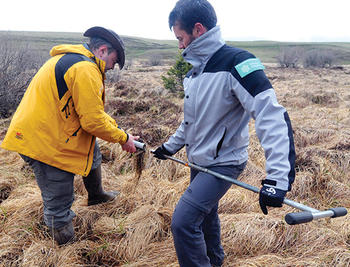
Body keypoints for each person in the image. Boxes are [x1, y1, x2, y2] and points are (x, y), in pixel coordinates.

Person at [153, 1, 296, 266]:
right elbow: (190, 123)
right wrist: (169, 147)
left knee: (183, 222)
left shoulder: (238, 63)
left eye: (181, 38)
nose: (179, 46)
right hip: (200, 160)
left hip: (224, 162)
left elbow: (271, 115)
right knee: (205, 217)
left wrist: (277, 178)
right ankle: (215, 261)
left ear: (198, 29)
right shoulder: (196, 73)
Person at [1, 26, 139, 245]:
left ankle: (96, 195)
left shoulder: (75, 61)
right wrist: (123, 139)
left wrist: (122, 133)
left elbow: (92, 113)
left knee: (91, 151)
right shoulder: (85, 69)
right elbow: (92, 120)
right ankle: (67, 249)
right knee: (59, 201)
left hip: (51, 130)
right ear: (102, 50)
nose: (111, 69)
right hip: (44, 142)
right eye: (113, 62)